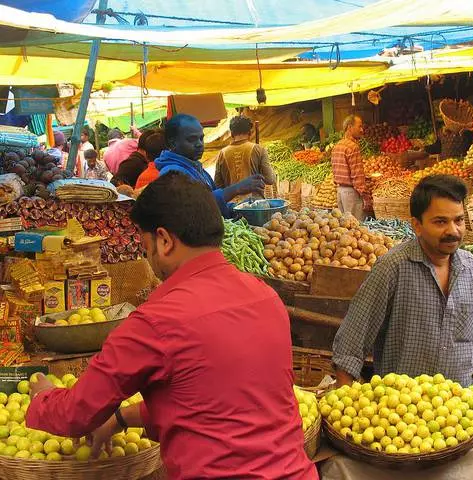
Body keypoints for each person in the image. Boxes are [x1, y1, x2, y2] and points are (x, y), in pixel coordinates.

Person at [26, 172, 318, 480]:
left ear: (164, 241)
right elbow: (213, 400)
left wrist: (43, 396)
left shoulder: (156, 321)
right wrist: (122, 418)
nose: (146, 257)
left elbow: (76, 413)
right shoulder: (265, 297)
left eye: (144, 245)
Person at [332, 175, 473, 387]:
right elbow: (353, 338)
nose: (453, 231)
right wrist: (345, 400)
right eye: (440, 222)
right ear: (417, 226)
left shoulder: (471, 268)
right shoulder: (392, 268)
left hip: (460, 410)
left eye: (458, 220)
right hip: (401, 410)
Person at [155, 114, 266, 218]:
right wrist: (236, 189)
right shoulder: (171, 173)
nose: (199, 144)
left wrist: (237, 209)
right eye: (191, 139)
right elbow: (194, 207)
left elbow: (213, 203)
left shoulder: (197, 169)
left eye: (201, 138)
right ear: (173, 143)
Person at [213, 116, 275, 202]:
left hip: (231, 207)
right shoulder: (259, 149)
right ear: (250, 132)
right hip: (255, 205)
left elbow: (217, 185)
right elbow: (270, 179)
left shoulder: (222, 154)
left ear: (231, 134)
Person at [331, 115, 370, 221]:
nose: (362, 130)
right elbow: (357, 176)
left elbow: (334, 171)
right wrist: (365, 197)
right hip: (351, 194)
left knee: (345, 227)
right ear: (349, 127)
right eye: (359, 126)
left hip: (340, 192)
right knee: (357, 228)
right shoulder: (353, 147)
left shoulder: (337, 146)